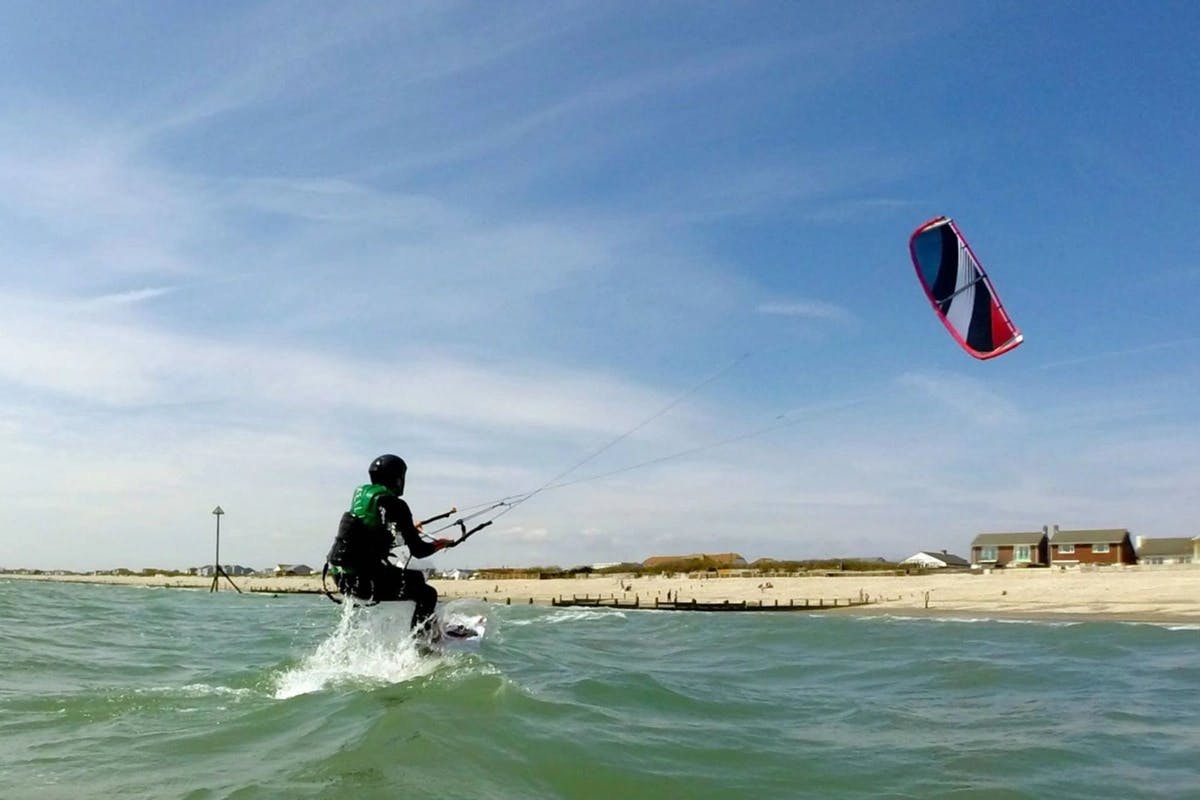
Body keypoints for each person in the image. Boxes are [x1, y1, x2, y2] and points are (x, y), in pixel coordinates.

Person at [325, 454, 455, 633]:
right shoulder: (396, 504)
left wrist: (406, 529)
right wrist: (441, 543)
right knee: (426, 593)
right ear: (398, 478)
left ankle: (405, 629)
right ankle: (422, 644)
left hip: (342, 579)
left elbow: (371, 538)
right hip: (365, 581)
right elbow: (419, 550)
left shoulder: (363, 499)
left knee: (410, 581)